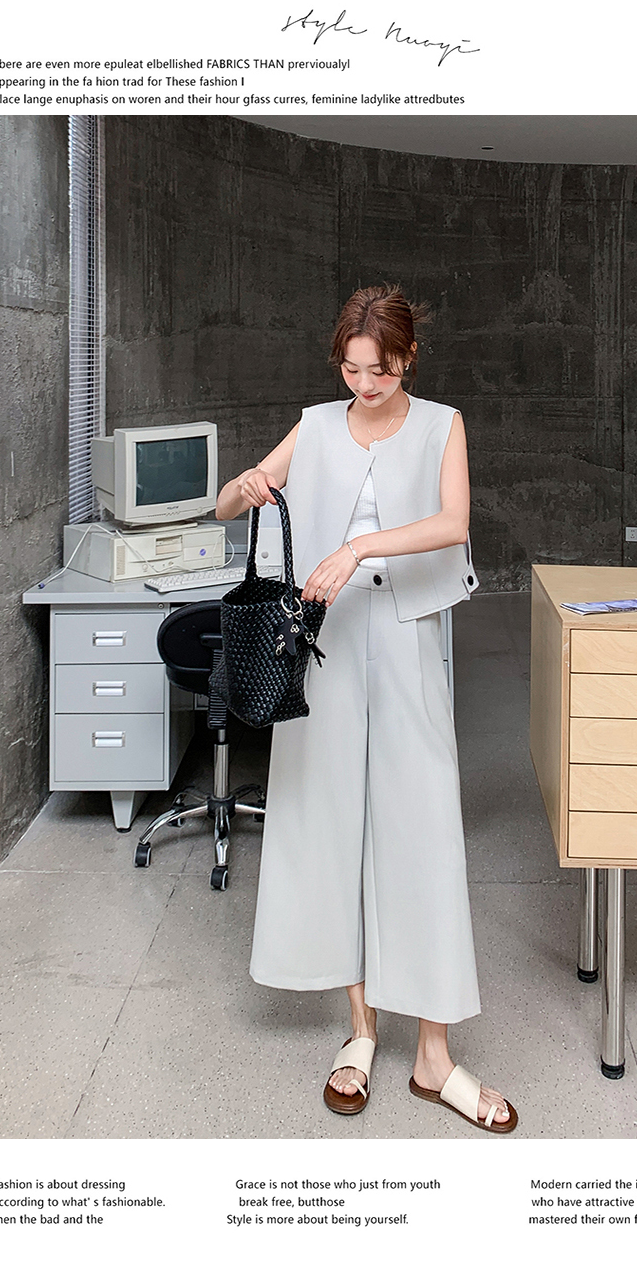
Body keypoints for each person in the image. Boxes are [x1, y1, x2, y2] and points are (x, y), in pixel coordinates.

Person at [215, 285, 517, 1133]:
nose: (363, 384)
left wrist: (356, 546)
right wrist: (246, 485)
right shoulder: (315, 425)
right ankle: (360, 1030)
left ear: (407, 359)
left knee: (423, 830)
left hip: (407, 634)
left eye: (378, 370)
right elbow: (229, 504)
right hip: (325, 643)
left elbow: (452, 523)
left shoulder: (442, 424)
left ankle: (435, 1055)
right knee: (329, 824)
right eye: (350, 369)